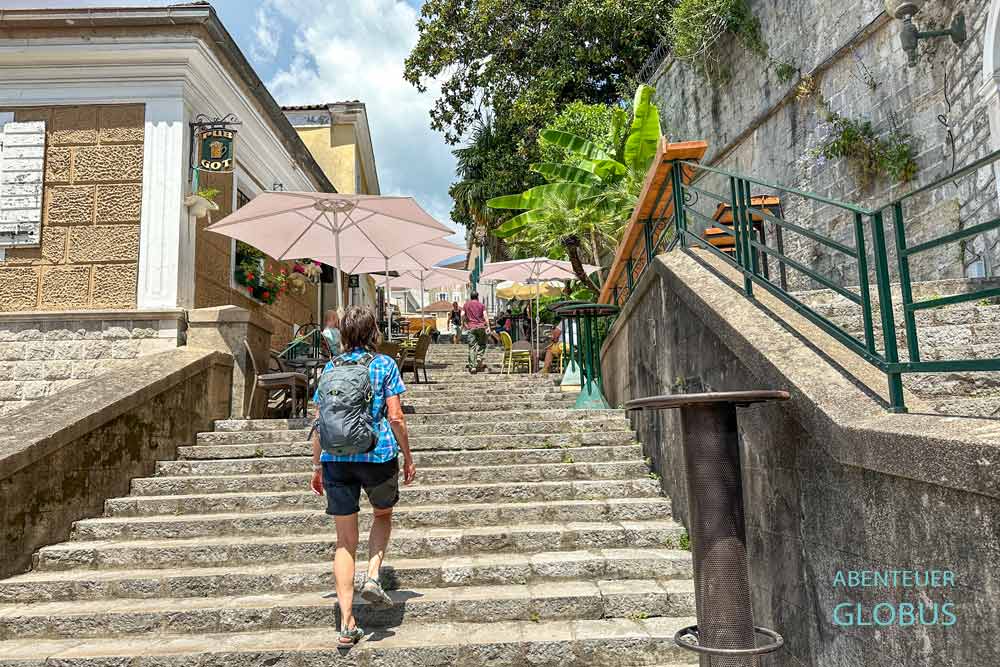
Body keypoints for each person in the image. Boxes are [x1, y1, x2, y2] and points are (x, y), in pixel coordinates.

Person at [309, 305, 417, 647]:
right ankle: (372, 576)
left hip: (335, 458)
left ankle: (347, 624)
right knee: (382, 515)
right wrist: (408, 456)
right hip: (377, 453)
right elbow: (396, 417)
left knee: (344, 541)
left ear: (344, 334)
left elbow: (320, 421)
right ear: (374, 332)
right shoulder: (384, 364)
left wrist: (316, 465)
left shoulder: (330, 368)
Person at [462, 291, 490, 373]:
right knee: (482, 344)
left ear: (470, 297)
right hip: (481, 327)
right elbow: (485, 316)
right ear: (477, 297)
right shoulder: (481, 305)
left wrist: (463, 323)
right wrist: (488, 326)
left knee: (472, 347)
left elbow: (462, 315)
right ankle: (479, 356)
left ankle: (473, 367)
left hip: (471, 328)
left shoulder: (466, 305)